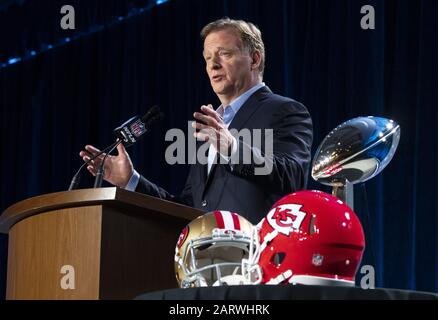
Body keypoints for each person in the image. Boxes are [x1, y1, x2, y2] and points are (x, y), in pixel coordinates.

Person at [79, 18, 313, 223]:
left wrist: (232, 148)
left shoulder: (285, 110)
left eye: (225, 54)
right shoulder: (212, 129)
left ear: (254, 59)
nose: (213, 64)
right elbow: (188, 208)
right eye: (208, 58)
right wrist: (131, 181)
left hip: (256, 261)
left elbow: (292, 177)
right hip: (204, 264)